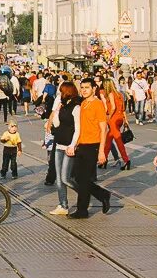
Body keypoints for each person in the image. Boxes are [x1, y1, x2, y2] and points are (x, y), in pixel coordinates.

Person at [67, 78, 111, 219]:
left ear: (94, 88)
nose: (84, 90)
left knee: (84, 178)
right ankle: (102, 194)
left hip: (93, 146)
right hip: (82, 144)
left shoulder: (98, 104)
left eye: (87, 87)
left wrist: (102, 151)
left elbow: (104, 129)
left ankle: (82, 210)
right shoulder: (84, 103)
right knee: (77, 177)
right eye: (82, 87)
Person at [48, 81, 81, 216]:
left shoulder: (76, 107)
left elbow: (78, 129)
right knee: (59, 178)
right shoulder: (63, 106)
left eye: (62, 92)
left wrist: (73, 145)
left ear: (68, 92)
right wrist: (56, 112)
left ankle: (84, 192)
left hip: (69, 146)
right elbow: (57, 124)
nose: (60, 94)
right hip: (59, 144)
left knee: (66, 178)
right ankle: (63, 205)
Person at [101, 79, 130, 170]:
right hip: (120, 118)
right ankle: (104, 160)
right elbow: (123, 109)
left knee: (118, 141)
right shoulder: (120, 94)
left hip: (113, 119)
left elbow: (113, 107)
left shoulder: (110, 94)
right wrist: (125, 120)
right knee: (109, 139)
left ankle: (126, 160)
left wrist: (108, 116)